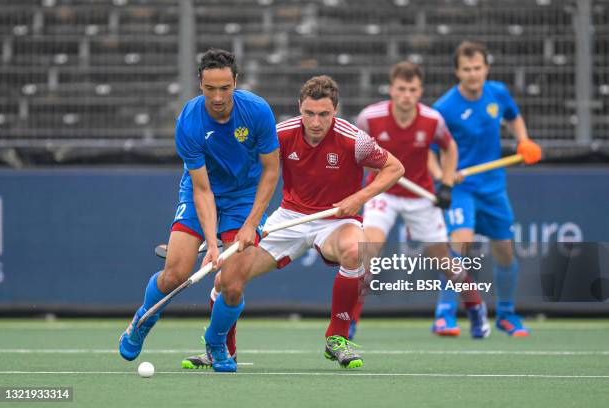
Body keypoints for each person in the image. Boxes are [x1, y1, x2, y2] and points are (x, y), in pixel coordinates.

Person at [181, 75, 404, 371]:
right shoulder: (281, 134)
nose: (315, 122)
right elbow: (250, 172)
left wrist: (358, 198)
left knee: (356, 251)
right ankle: (222, 350)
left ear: (335, 111)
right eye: (309, 113)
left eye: (324, 114)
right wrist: (246, 224)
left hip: (337, 219)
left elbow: (394, 167)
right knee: (226, 279)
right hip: (289, 219)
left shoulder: (354, 140)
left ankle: (337, 338)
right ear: (299, 107)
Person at [118, 48, 280, 373]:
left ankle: (216, 342)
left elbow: (271, 172)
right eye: (210, 89)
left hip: (244, 196)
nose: (218, 97)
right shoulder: (189, 121)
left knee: (233, 284)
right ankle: (144, 318)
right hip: (200, 193)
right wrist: (212, 243)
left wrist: (252, 222)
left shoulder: (258, 112)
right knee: (176, 273)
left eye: (224, 87)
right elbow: (202, 190)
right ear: (200, 85)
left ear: (235, 82)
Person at [350, 61, 489, 340]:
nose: (406, 95)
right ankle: (349, 323)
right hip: (383, 193)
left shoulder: (432, 119)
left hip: (420, 196)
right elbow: (353, 151)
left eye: (412, 89)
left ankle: (475, 307)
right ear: (391, 89)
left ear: (420, 91)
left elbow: (450, 149)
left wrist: (447, 184)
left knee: (444, 261)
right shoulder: (369, 118)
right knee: (366, 252)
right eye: (401, 89)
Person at [430, 41, 542, 337]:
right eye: (466, 69)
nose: (473, 74)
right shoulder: (444, 108)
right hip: (461, 188)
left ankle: (506, 315)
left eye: (477, 68)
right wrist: (443, 175)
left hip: (493, 187)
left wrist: (523, 140)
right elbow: (429, 150)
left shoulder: (498, 93)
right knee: (460, 243)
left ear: (486, 68)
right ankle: (444, 315)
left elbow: (513, 116)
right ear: (457, 72)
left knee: (505, 252)